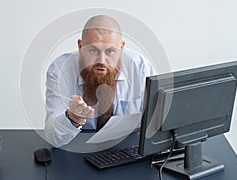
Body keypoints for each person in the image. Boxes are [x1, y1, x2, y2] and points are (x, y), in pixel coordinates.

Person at [44, 15, 155, 147]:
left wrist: (149, 125)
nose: (102, 61)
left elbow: (154, 121)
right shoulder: (60, 69)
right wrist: (73, 118)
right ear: (80, 46)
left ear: (121, 47)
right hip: (77, 148)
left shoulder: (140, 67)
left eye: (110, 51)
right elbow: (53, 137)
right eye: (93, 50)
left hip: (126, 150)